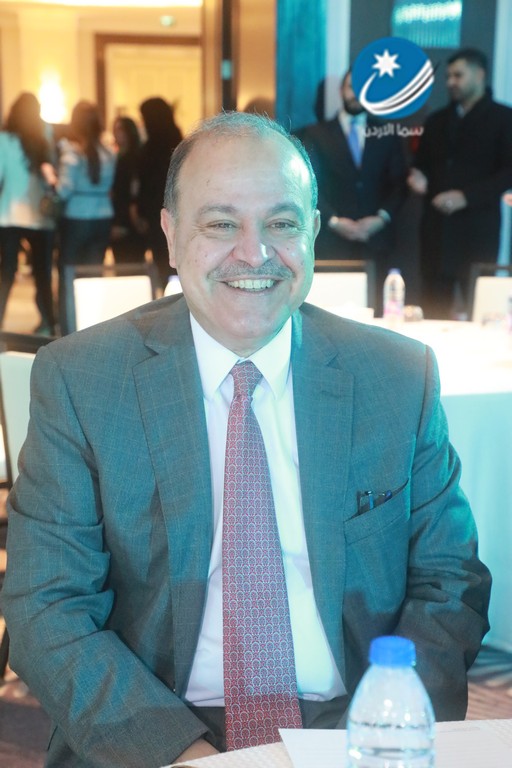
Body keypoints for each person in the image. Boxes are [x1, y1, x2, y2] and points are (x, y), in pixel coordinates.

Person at [1, 112, 490, 768]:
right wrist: (185, 756)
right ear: (171, 234)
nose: (255, 254)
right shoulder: (83, 380)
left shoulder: (398, 378)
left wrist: (377, 734)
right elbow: (45, 604)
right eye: (220, 224)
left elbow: (450, 583)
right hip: (152, 729)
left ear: (313, 231)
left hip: (351, 728)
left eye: (282, 223)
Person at [408, 48, 512, 319]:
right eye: (448, 76)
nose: (451, 82)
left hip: (478, 230)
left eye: (458, 75)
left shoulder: (504, 118)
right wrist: (418, 178)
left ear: (480, 75)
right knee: (432, 311)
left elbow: (509, 172)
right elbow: (422, 165)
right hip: (436, 229)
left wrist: (466, 196)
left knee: (482, 311)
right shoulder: (436, 120)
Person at [297, 71, 408, 315]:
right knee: (329, 313)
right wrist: (334, 221)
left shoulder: (388, 133)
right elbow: (308, 185)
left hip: (376, 241)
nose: (356, 94)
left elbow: (399, 184)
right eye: (351, 87)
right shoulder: (315, 134)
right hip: (331, 240)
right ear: (341, 91)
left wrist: (381, 218)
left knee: (379, 315)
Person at [55, 100, 116, 334]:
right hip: (103, 217)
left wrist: (51, 181)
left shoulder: (72, 153)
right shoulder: (109, 153)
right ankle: (90, 328)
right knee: (92, 275)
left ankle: (68, 329)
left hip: (76, 217)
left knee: (69, 274)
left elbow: (64, 190)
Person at [0, 92, 57, 334]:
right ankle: (49, 323)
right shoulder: (44, 134)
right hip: (40, 214)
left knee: (7, 272)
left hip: (9, 214)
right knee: (43, 273)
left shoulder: (4, 139)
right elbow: (51, 169)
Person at [132, 97, 183, 290]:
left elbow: (145, 185)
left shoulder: (149, 149)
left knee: (162, 260)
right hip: (175, 209)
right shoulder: (180, 144)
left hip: (155, 212)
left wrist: (140, 211)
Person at [110, 116, 147, 263]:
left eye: (120, 129)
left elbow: (130, 190)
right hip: (126, 216)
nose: (116, 133)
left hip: (128, 217)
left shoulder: (131, 158)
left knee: (127, 262)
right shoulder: (118, 156)